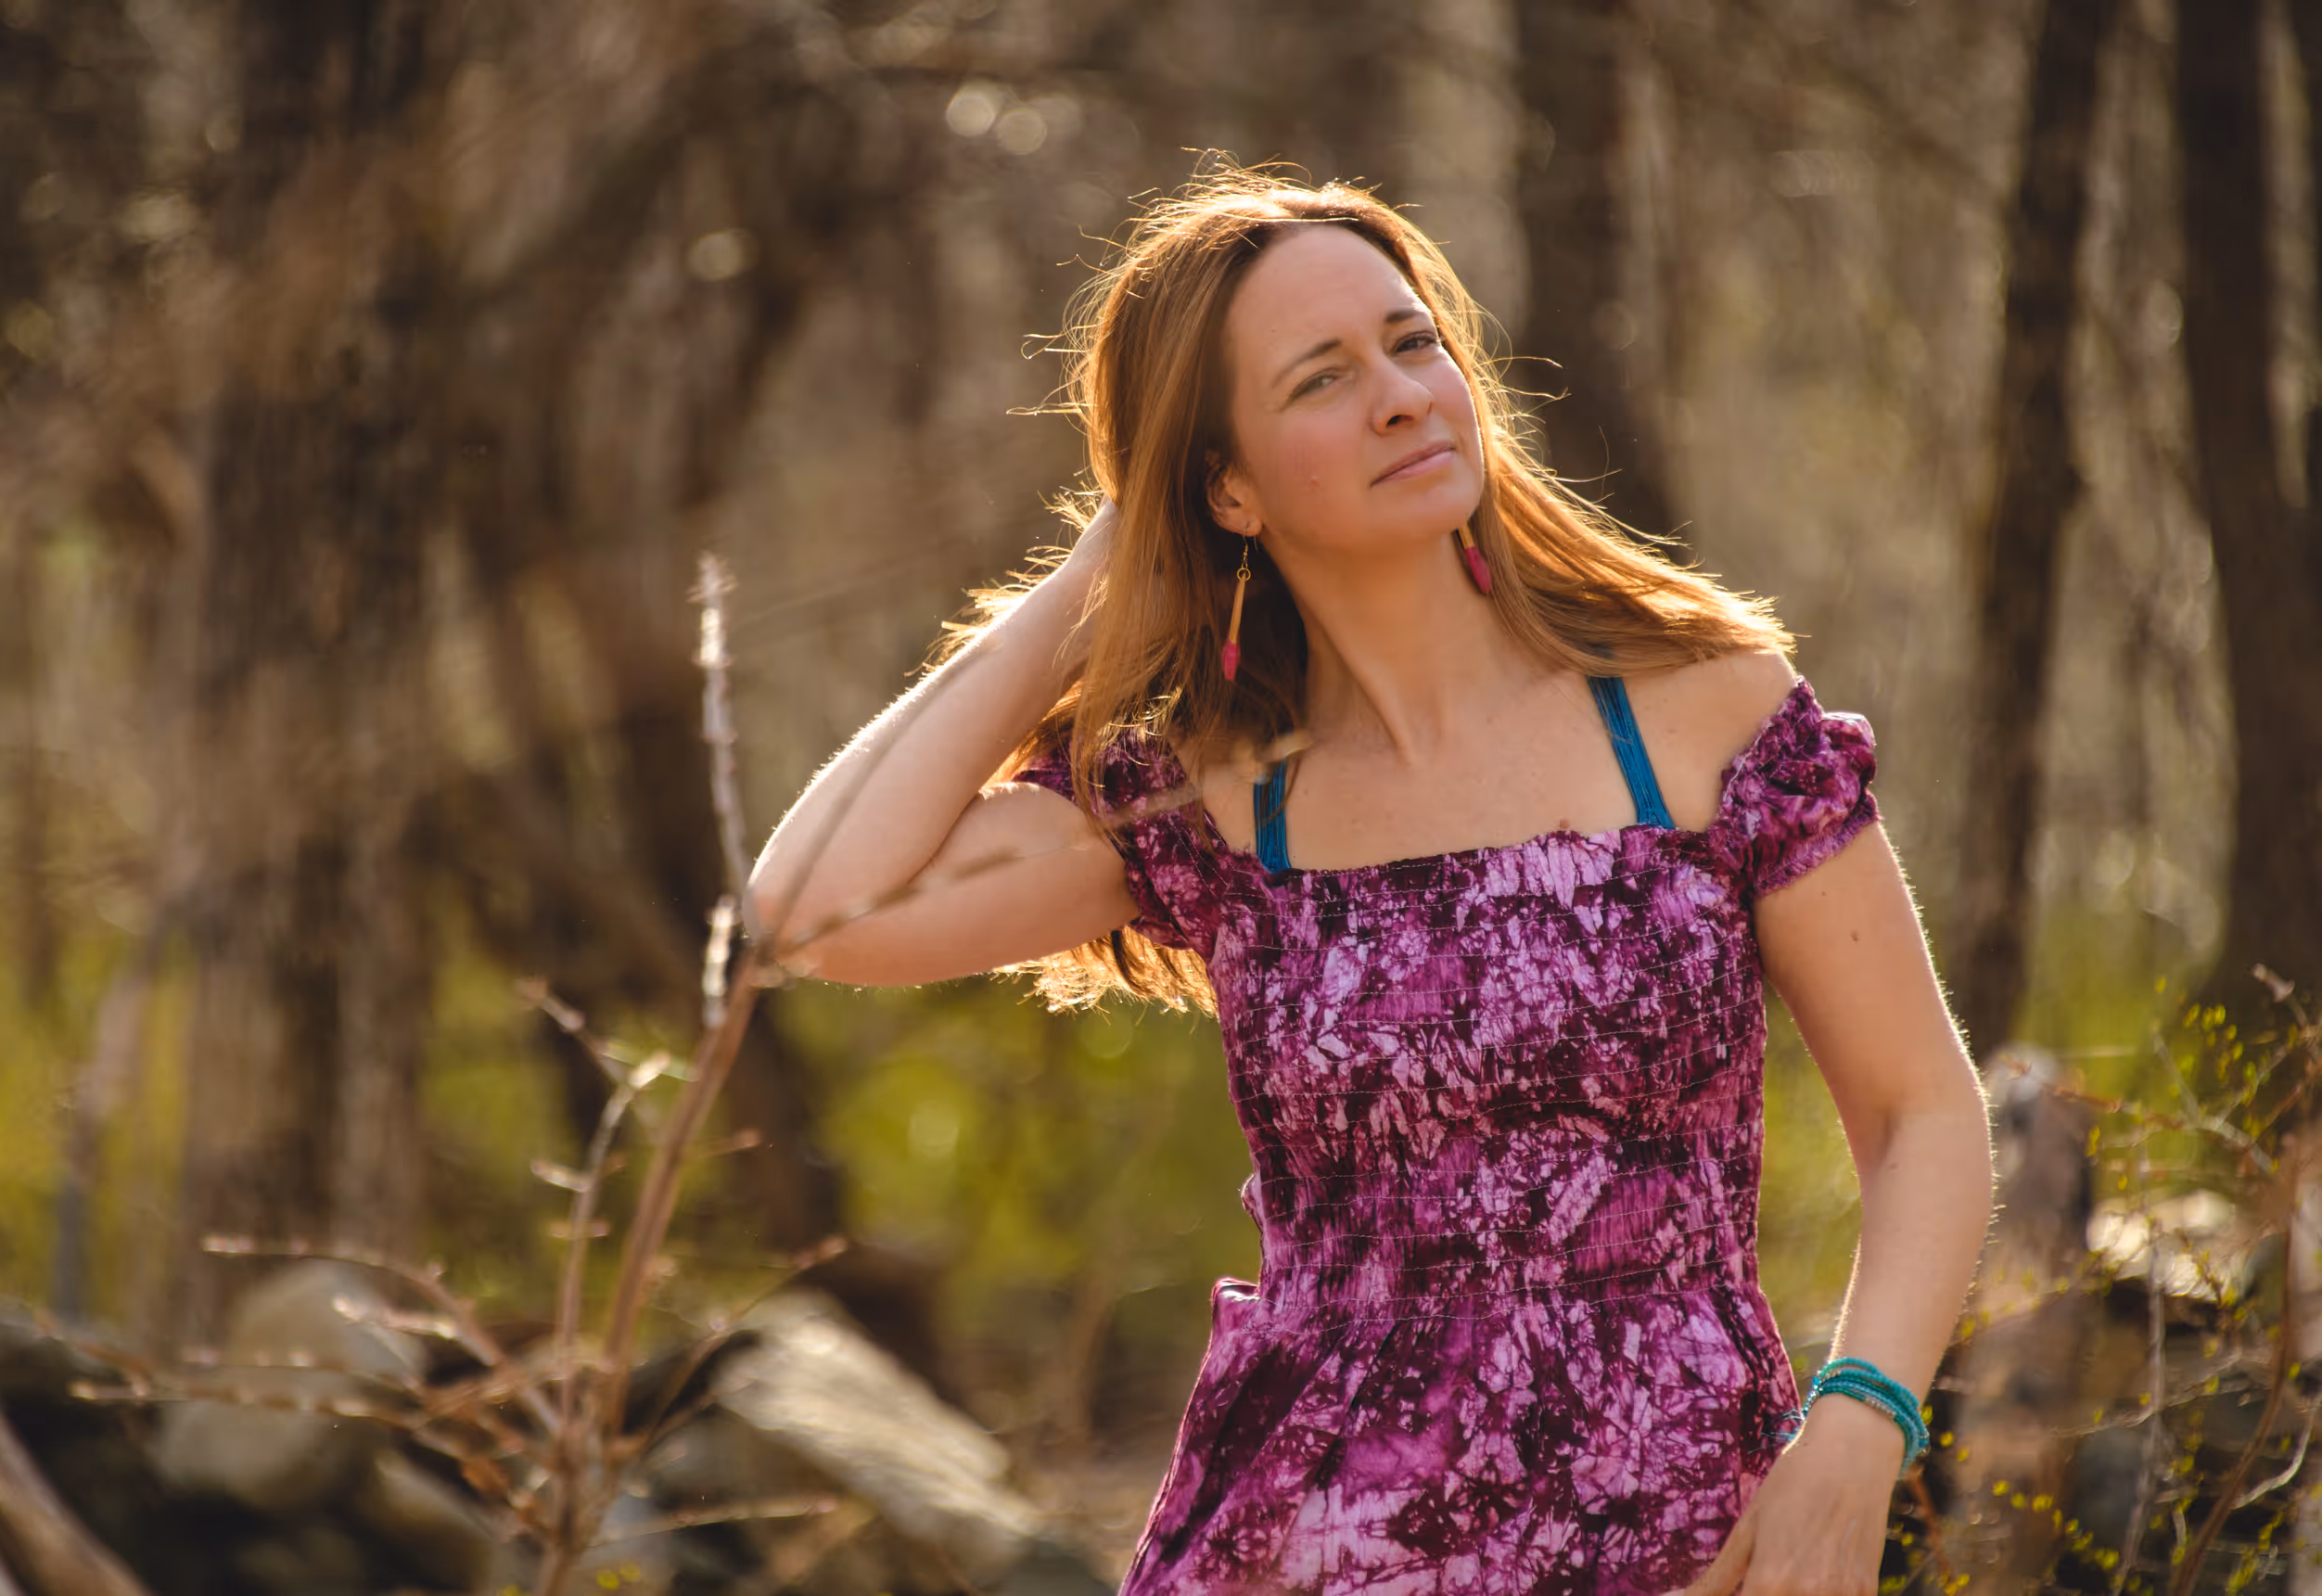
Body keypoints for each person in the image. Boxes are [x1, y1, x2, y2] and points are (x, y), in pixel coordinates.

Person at [746, 167, 1994, 1596]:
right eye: (1320, 380)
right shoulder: (1208, 798)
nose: (1402, 396)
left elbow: (1919, 1111)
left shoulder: (1694, 711)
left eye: (1414, 344)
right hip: (1302, 1544)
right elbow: (805, 913)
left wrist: (1861, 1418)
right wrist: (1104, 561)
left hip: (1677, 1529)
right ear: (1226, 483)